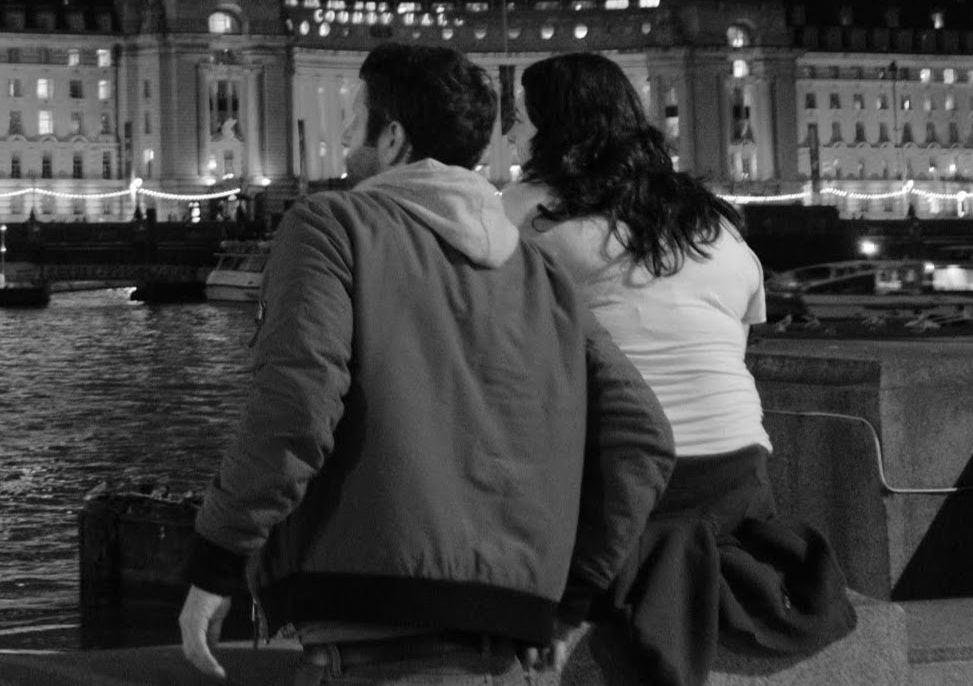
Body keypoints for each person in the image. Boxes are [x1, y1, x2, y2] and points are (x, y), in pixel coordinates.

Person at [179, 41, 674, 685]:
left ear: (392, 138)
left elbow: (297, 405)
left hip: (370, 632)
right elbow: (643, 436)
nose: (345, 135)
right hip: (509, 647)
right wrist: (567, 597)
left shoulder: (330, 226)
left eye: (354, 117)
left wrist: (218, 560)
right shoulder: (539, 268)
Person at [502, 53, 853, 686]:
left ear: (556, 130)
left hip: (621, 482)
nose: (511, 134)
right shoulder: (714, 221)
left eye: (523, 120)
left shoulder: (529, 215)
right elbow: (736, 347)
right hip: (738, 472)